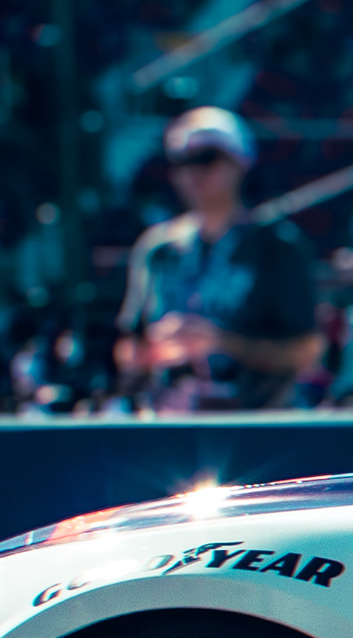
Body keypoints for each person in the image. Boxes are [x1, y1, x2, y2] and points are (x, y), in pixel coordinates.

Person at [116, 107, 322, 412]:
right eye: (181, 161)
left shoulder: (278, 247)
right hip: (169, 418)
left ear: (240, 163)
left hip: (254, 420)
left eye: (206, 158)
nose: (193, 172)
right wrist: (156, 349)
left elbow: (307, 351)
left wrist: (221, 342)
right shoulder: (157, 248)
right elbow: (129, 346)